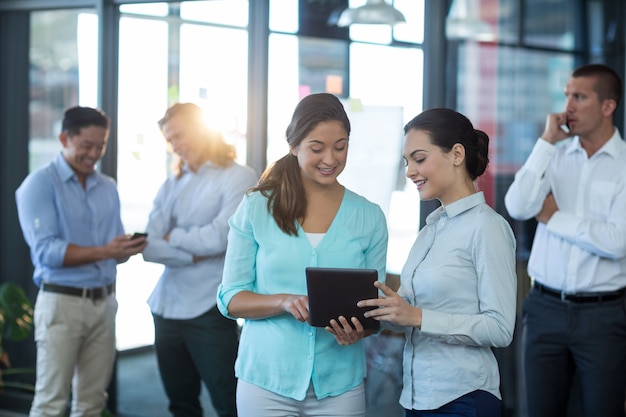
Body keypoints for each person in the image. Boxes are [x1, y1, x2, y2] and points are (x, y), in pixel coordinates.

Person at [216, 92, 388, 417]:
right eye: (317, 147)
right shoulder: (257, 207)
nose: (330, 158)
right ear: (294, 146)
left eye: (340, 146)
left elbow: (373, 311)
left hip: (339, 384)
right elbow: (230, 298)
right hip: (266, 381)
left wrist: (361, 329)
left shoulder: (370, 217)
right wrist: (283, 301)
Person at [358, 108, 517, 417]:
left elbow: (500, 329)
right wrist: (383, 310)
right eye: (406, 162)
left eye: (419, 159)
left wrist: (418, 317)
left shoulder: (487, 227)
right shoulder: (430, 230)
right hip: (417, 397)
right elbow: (410, 313)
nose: (409, 171)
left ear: (456, 154)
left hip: (464, 398)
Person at [504, 63, 626, 417]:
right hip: (544, 309)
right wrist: (545, 142)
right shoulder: (553, 154)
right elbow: (518, 205)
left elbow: (617, 241)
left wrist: (555, 218)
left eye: (579, 96)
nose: (567, 106)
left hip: (603, 316)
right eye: (567, 95)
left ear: (608, 106)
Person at [15, 106, 147, 417]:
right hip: (62, 304)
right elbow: (47, 251)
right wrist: (105, 250)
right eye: (86, 146)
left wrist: (126, 248)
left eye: (100, 146)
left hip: (104, 304)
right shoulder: (39, 184)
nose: (94, 154)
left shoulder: (107, 187)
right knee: (50, 402)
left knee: (92, 402)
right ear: (64, 138)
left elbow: (113, 249)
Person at [141, 102, 258, 417]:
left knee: (228, 401)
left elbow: (222, 238)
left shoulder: (239, 177)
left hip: (209, 308)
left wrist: (174, 237)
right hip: (166, 308)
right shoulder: (172, 184)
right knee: (181, 405)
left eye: (180, 135)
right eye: (170, 139)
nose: (176, 145)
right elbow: (149, 246)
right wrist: (194, 250)